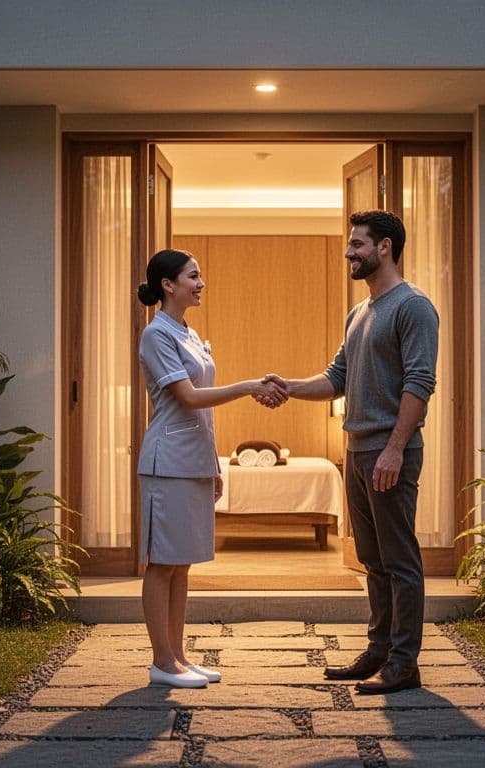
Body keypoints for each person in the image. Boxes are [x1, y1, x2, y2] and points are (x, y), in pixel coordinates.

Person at [271, 210, 438, 695]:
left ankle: (404, 663)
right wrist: (288, 387)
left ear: (384, 247)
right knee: (372, 558)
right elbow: (336, 378)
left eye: (357, 244)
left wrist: (394, 449)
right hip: (358, 451)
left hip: (389, 454)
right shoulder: (359, 313)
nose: (349, 252)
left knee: (399, 558)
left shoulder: (413, 307)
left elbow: (419, 383)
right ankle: (379, 650)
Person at [136, 248, 287, 689]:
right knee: (162, 563)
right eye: (193, 276)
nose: (201, 284)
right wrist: (246, 387)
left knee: (181, 564)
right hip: (167, 462)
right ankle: (161, 662)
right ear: (169, 284)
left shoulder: (187, 332)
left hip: (193, 461)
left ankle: (179, 657)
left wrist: (214, 462)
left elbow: (203, 414)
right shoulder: (156, 335)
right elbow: (187, 398)